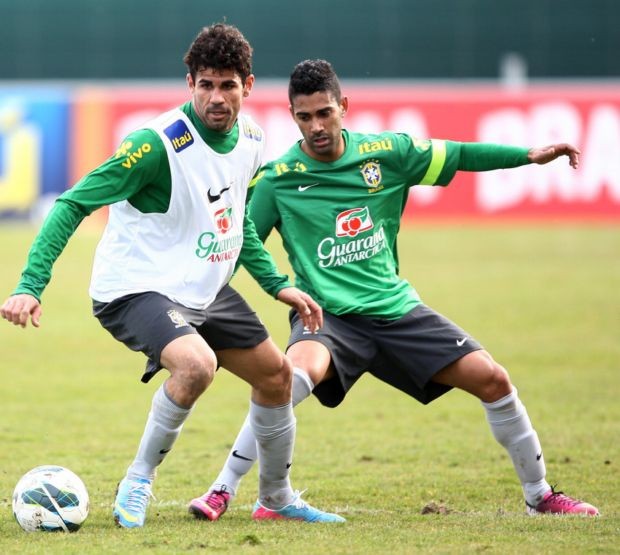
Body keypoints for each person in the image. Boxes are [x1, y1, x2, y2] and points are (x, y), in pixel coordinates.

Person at [189, 59, 600, 521]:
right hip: (328, 318)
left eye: (324, 113)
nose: (316, 126)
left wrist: (526, 155)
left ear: (344, 106)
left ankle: (540, 496)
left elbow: (460, 154)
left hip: (396, 310)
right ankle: (224, 488)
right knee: (288, 378)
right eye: (304, 117)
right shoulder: (279, 178)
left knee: (494, 380)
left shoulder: (389, 151)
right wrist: (275, 287)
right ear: (293, 117)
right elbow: (241, 242)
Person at [0, 34, 345, 527]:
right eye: (205, 85)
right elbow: (73, 202)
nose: (216, 98)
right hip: (134, 287)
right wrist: (30, 285)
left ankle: (275, 498)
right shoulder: (154, 145)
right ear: (190, 83)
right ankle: (137, 480)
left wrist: (276, 283)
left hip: (202, 287)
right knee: (196, 365)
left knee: (277, 378)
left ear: (247, 86)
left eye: (228, 86)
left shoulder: (251, 138)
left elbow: (235, 219)